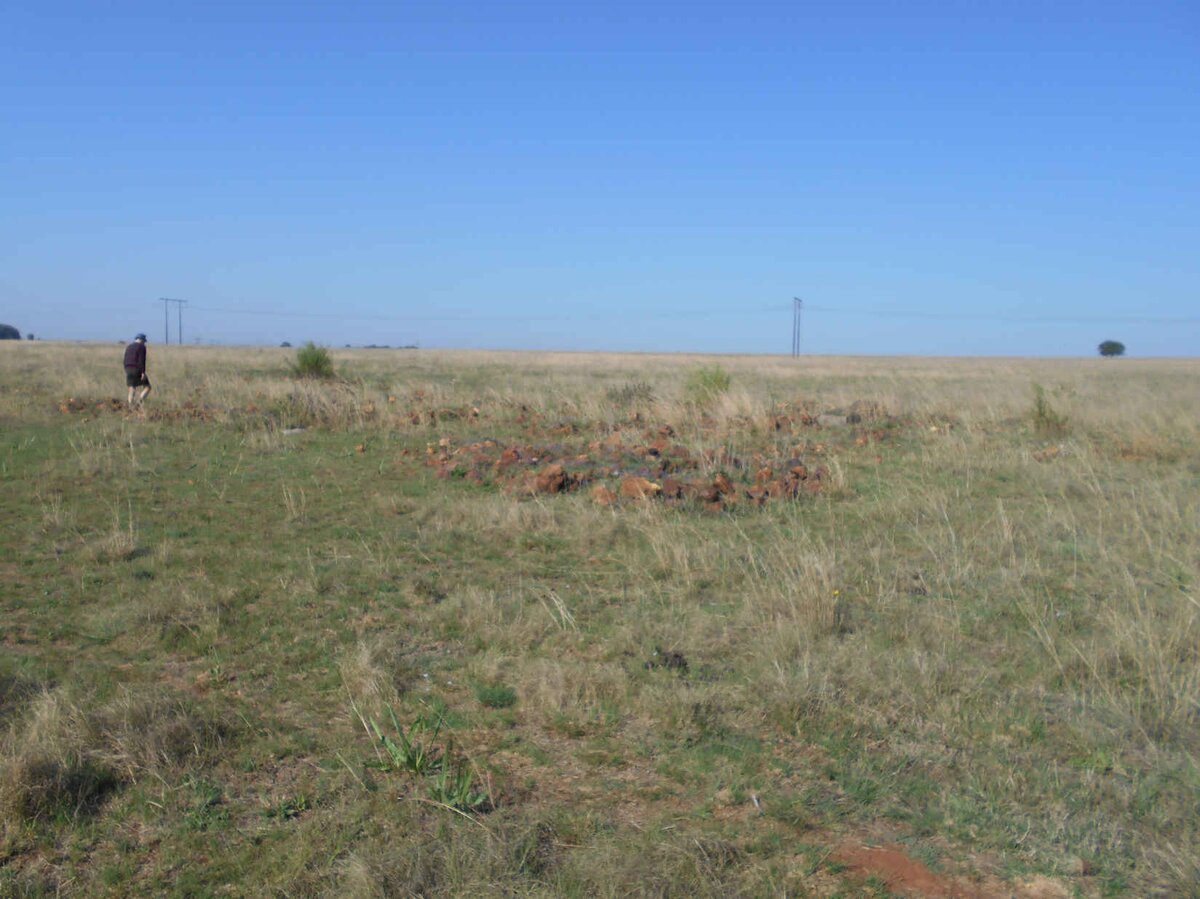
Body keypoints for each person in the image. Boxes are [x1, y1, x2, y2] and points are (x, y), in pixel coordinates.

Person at [123, 333, 152, 408]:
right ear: (142, 340)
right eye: (144, 341)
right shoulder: (142, 347)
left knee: (132, 387)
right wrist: (143, 372)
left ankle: (130, 405)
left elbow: (125, 359)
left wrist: (126, 369)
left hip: (128, 368)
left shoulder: (129, 346)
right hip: (137, 369)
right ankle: (139, 402)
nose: (144, 342)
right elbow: (141, 360)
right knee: (147, 387)